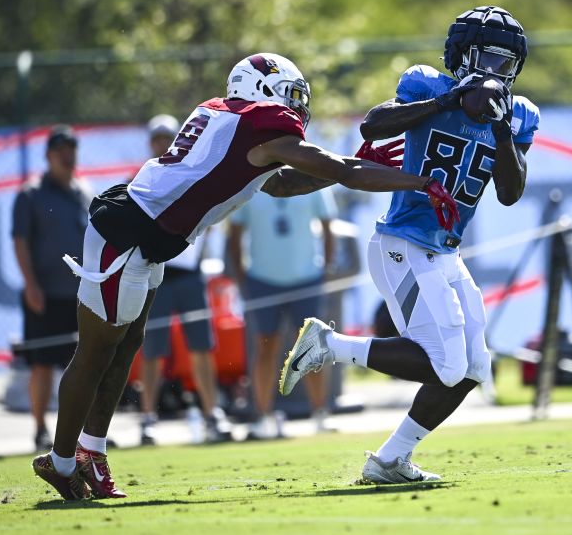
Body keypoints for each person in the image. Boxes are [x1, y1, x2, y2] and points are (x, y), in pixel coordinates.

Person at [32, 53, 460, 501]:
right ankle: (62, 463)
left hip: (148, 232)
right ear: (261, 89)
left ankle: (90, 454)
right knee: (98, 351)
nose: (297, 108)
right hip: (128, 230)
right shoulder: (260, 121)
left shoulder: (228, 115)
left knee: (125, 347)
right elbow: (345, 172)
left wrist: (350, 165)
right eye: (292, 96)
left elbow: (278, 184)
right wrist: (416, 181)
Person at [279, 6, 538, 484]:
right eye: (488, 60)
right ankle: (330, 345)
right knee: (447, 363)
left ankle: (388, 461)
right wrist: (450, 102)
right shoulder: (427, 84)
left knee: (474, 366)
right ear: (461, 58)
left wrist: (500, 130)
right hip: (401, 242)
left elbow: (510, 190)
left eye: (506, 65)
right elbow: (373, 126)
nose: (497, 74)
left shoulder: (519, 115)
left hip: (445, 251)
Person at [136, 114, 233, 446]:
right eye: (158, 138)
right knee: (152, 350)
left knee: (202, 346)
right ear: (151, 143)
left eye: (168, 137)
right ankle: (147, 417)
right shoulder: (146, 177)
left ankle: (211, 413)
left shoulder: (193, 171)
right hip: (157, 273)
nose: (163, 143)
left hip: (190, 275)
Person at [226, 185, 339, 439]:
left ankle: (321, 413)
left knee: (312, 347)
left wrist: (326, 270)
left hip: (307, 278)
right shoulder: (250, 186)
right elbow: (234, 234)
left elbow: (328, 227)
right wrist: (243, 278)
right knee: (265, 347)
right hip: (261, 280)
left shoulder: (313, 181)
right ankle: (263, 416)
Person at [12, 125, 92, 451]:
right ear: (48, 155)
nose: (67, 155)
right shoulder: (30, 194)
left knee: (85, 364)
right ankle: (41, 428)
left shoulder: (84, 192)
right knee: (42, 364)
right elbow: (20, 242)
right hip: (44, 294)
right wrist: (31, 284)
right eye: (61, 149)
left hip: (81, 295)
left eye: (72, 148)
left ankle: (85, 434)